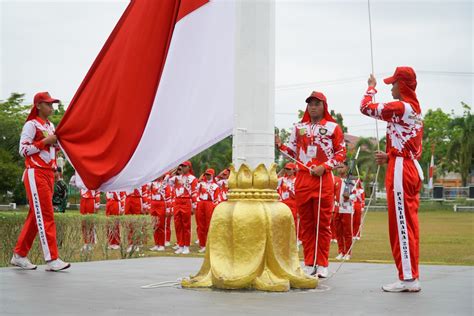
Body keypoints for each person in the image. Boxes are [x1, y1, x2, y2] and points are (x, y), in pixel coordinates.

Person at [360, 67, 423, 292]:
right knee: (408, 222)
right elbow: (411, 145)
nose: (391, 87)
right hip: (407, 165)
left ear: (402, 85)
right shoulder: (415, 110)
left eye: (393, 83)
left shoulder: (401, 106)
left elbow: (365, 107)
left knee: (401, 225)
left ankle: (408, 278)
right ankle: (409, 275)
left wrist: (371, 88)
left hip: (401, 169)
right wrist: (390, 156)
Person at [276, 91, 346, 278]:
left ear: (324, 106)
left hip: (323, 179)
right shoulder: (299, 128)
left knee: (322, 223)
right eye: (310, 103)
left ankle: (322, 264)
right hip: (303, 178)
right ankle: (309, 263)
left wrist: (325, 167)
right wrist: (279, 145)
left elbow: (341, 153)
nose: (313, 106)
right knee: (306, 223)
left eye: (317, 103)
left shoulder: (333, 127)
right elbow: (290, 151)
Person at [11, 92, 70, 271]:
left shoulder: (51, 125)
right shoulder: (31, 124)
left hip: (48, 174)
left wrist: (56, 144)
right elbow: (23, 150)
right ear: (38, 105)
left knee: (35, 217)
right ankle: (52, 259)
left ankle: (19, 255)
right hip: (35, 173)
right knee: (46, 215)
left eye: (52, 104)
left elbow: (53, 148)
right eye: (48, 104)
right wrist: (46, 141)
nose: (51, 107)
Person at [168, 161, 198, 255]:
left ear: (189, 167)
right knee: (178, 224)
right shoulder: (176, 178)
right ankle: (180, 245)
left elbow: (194, 192)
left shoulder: (192, 179)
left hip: (186, 201)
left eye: (184, 166)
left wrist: (194, 206)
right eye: (181, 166)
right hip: (177, 201)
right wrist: (173, 171)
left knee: (186, 225)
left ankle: (186, 246)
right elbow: (167, 182)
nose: (183, 168)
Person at [333, 163, 356, 260]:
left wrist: (349, 197)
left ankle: (348, 252)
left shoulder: (351, 181)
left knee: (347, 233)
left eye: (341, 167)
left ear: (346, 168)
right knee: (338, 232)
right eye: (338, 167)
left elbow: (355, 194)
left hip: (347, 208)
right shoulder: (335, 180)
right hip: (337, 208)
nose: (339, 169)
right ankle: (341, 251)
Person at [195, 169, 221, 253]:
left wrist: (214, 207)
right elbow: (196, 192)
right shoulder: (201, 184)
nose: (207, 176)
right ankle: (202, 245)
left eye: (209, 175)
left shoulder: (215, 186)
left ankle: (210, 244)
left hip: (210, 204)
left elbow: (216, 199)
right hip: (201, 203)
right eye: (206, 174)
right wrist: (197, 203)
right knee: (201, 225)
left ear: (212, 175)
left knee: (208, 225)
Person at [149, 175, 172, 251]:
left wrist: (168, 209)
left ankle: (161, 244)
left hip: (161, 204)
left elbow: (168, 197)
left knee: (161, 225)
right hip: (153, 204)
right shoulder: (152, 183)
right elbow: (148, 192)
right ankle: (156, 243)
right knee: (154, 225)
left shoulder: (165, 184)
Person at [277, 163, 298, 237]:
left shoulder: (297, 179)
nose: (287, 170)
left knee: (293, 221)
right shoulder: (283, 179)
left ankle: (294, 238)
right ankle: (283, 237)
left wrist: (289, 190)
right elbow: (273, 181)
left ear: (293, 170)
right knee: (282, 220)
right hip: (283, 203)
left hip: (293, 203)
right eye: (286, 169)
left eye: (289, 169)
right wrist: (282, 171)